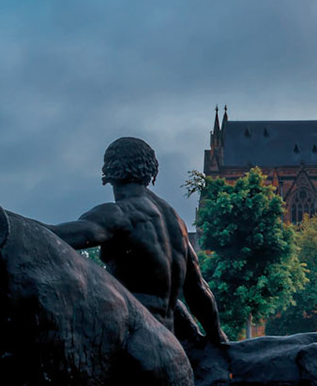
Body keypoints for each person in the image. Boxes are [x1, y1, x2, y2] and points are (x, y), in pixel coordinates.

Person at [49, 137, 225, 347]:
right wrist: (218, 339)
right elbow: (198, 290)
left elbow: (60, 236)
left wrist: (5, 219)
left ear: (108, 171)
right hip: (168, 342)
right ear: (152, 172)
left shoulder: (120, 213)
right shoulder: (176, 222)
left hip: (130, 342)